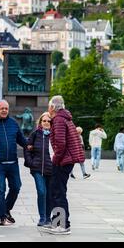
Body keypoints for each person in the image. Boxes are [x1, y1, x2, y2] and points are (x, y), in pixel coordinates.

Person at [45, 95, 85, 235]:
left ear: (52, 107)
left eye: (49, 106)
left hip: (62, 161)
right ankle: (58, 223)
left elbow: (60, 144)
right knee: (58, 192)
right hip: (66, 161)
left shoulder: (59, 120)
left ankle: (62, 225)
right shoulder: (65, 118)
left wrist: (55, 160)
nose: (48, 109)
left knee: (58, 193)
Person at [0, 100, 27, 226]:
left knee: (16, 187)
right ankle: (2, 217)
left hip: (13, 163)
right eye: (2, 108)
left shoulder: (13, 123)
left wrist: (32, 145)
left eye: (6, 108)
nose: (4, 110)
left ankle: (6, 209)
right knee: (0, 190)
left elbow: (22, 140)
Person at [24, 112, 53, 227]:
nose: (46, 123)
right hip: (37, 169)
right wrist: (31, 163)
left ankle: (48, 217)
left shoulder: (54, 135)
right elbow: (27, 148)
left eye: (48, 121)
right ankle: (42, 217)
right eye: (44, 121)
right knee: (41, 192)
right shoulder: (35, 134)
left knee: (49, 194)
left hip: (51, 169)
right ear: (40, 122)